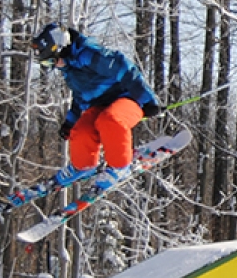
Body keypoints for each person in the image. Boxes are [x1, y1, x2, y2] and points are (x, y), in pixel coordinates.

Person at [29, 23, 161, 190]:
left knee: (109, 120)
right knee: (81, 131)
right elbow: (80, 96)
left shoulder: (89, 55)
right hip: (100, 106)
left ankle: (120, 167)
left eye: (51, 61)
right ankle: (83, 166)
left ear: (61, 48)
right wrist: (70, 122)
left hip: (128, 99)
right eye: (48, 64)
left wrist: (148, 100)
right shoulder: (69, 68)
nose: (54, 66)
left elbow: (124, 68)